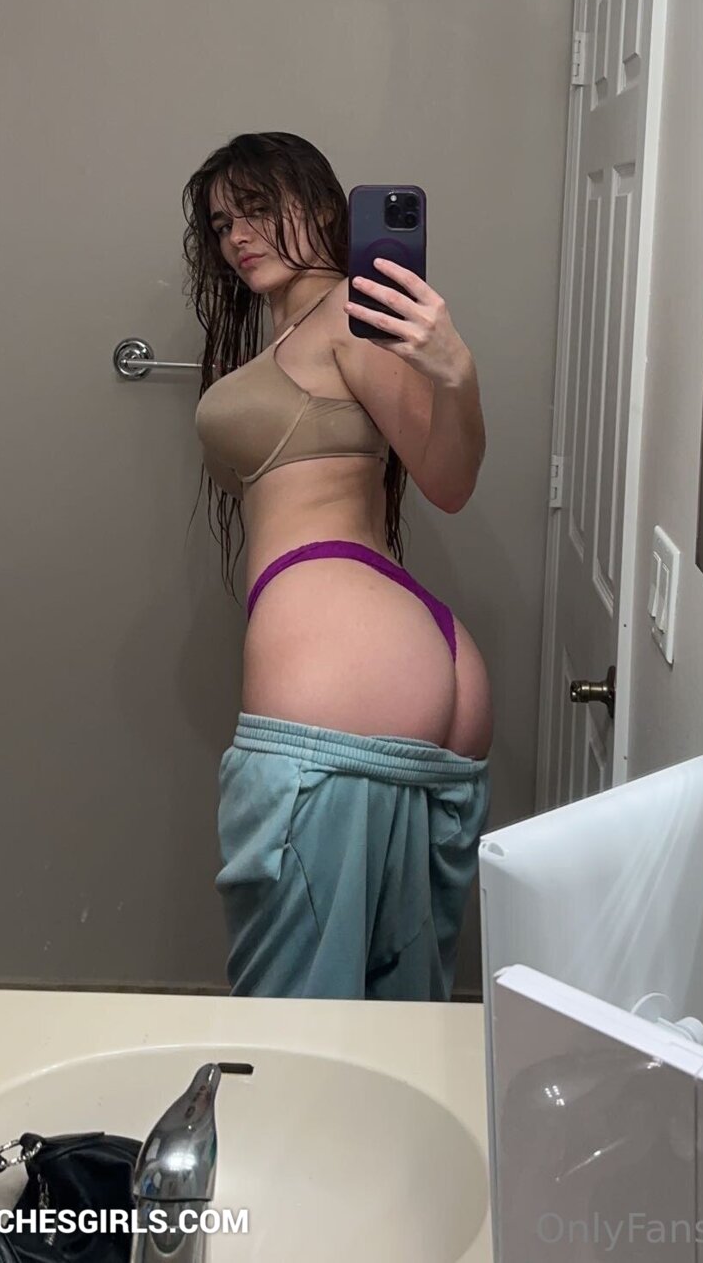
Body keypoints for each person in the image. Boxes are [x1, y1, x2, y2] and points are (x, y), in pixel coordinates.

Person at [183, 132, 493, 999]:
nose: (237, 236)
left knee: (294, 1020)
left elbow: (446, 479)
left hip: (343, 672)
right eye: (221, 224)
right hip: (394, 657)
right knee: (395, 1018)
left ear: (324, 208)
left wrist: (457, 375)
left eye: (256, 209)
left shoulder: (347, 313)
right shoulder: (310, 329)